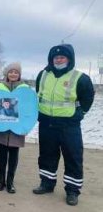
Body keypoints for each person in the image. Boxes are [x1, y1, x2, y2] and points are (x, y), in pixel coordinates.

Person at [32, 44, 94, 206]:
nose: (58, 59)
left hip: (69, 125)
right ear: (51, 59)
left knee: (73, 157)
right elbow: (40, 94)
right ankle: (47, 183)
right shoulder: (43, 75)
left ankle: (72, 190)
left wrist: (79, 114)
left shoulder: (80, 78)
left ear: (69, 58)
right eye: (55, 57)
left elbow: (87, 98)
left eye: (62, 57)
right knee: (46, 154)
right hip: (46, 123)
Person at [0, 63, 28, 194]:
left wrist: (25, 125)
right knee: (1, 154)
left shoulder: (25, 88)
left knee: (13, 155)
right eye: (10, 72)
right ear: (6, 73)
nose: (13, 74)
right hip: (2, 126)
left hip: (16, 128)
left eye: (16, 72)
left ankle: (10, 182)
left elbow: (27, 108)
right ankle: (0, 180)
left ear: (19, 74)